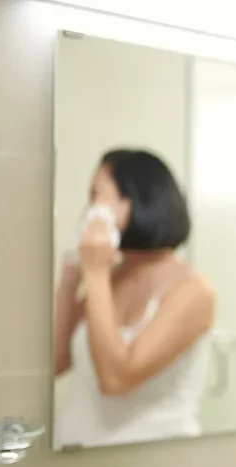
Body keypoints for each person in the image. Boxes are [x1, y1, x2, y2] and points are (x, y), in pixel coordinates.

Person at [53, 149, 215, 449]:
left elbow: (115, 380)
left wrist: (95, 272)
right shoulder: (107, 278)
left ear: (136, 201)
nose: (89, 210)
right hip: (78, 459)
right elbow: (53, 362)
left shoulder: (193, 292)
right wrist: (70, 278)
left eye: (96, 196)